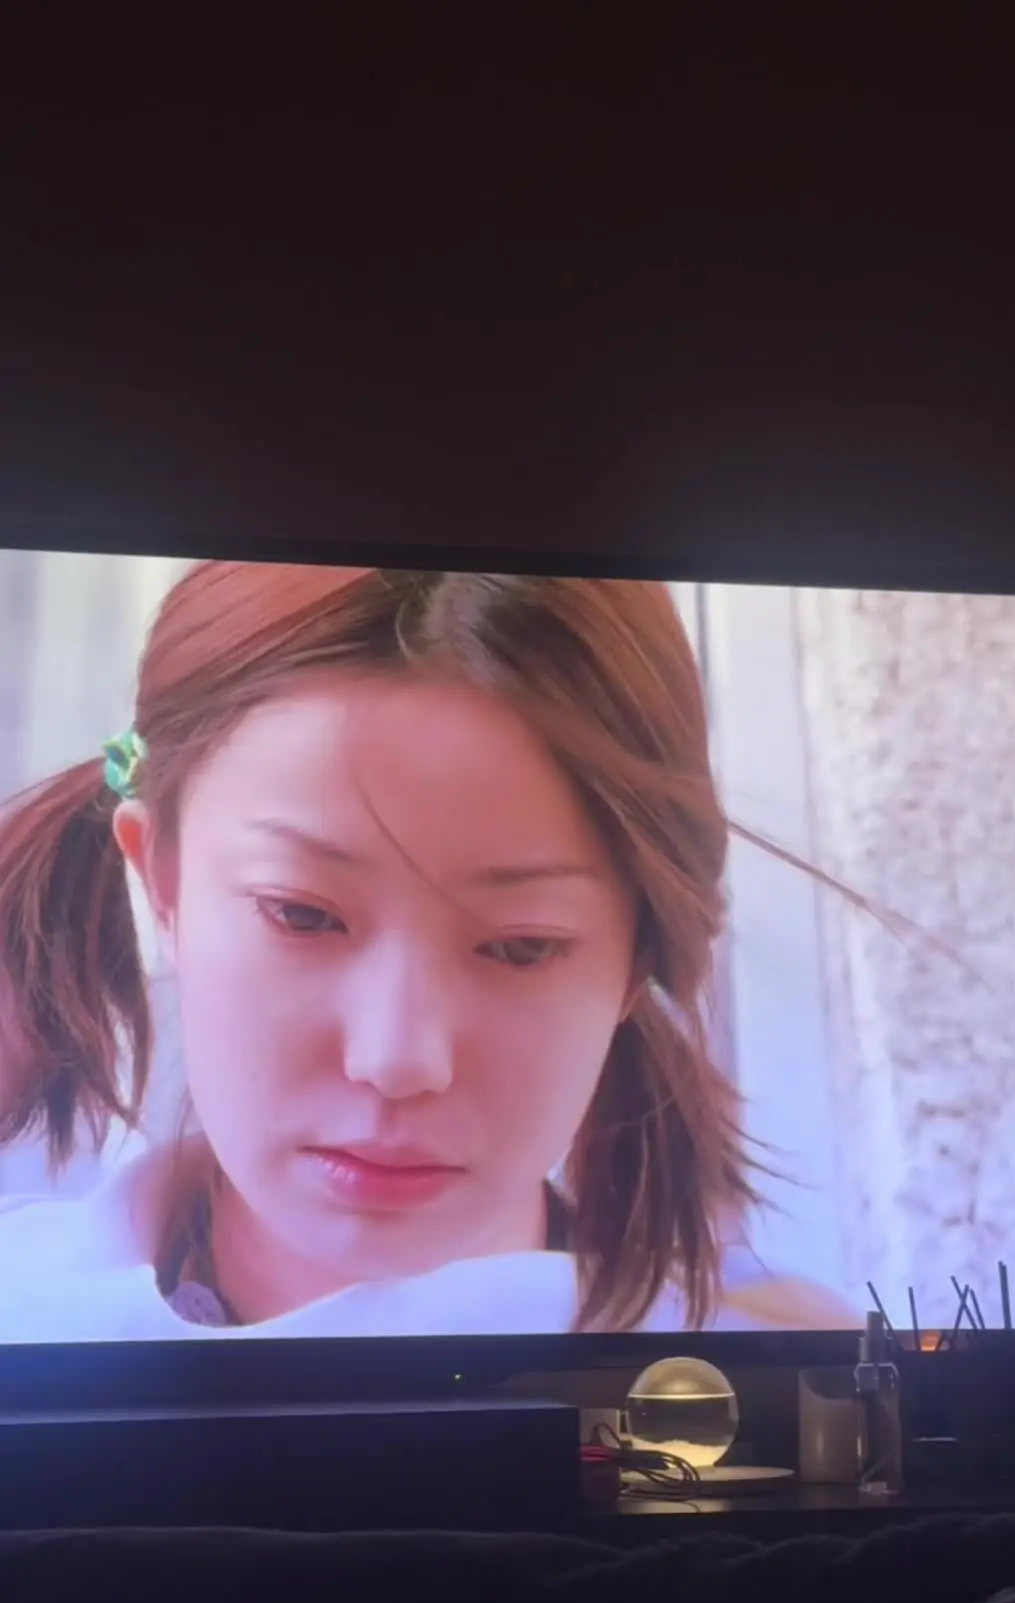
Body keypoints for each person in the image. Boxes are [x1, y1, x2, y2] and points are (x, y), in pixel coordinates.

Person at [0, 562, 862, 1340]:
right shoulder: (29, 1323)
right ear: (162, 880)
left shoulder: (796, 1390)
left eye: (521, 947)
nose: (397, 1060)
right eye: (302, 915)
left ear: (636, 958)